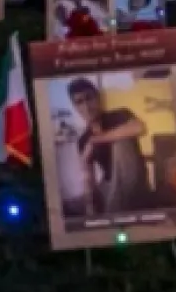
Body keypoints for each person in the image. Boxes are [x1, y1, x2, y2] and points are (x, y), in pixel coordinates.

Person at [66, 77, 156, 215]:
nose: (86, 106)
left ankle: (112, 212)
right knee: (69, 205)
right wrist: (90, 205)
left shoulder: (119, 115)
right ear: (75, 107)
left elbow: (140, 127)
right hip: (108, 184)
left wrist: (97, 140)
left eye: (89, 98)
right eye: (79, 102)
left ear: (98, 98)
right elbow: (89, 178)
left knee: (121, 142)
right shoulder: (83, 140)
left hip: (133, 180)